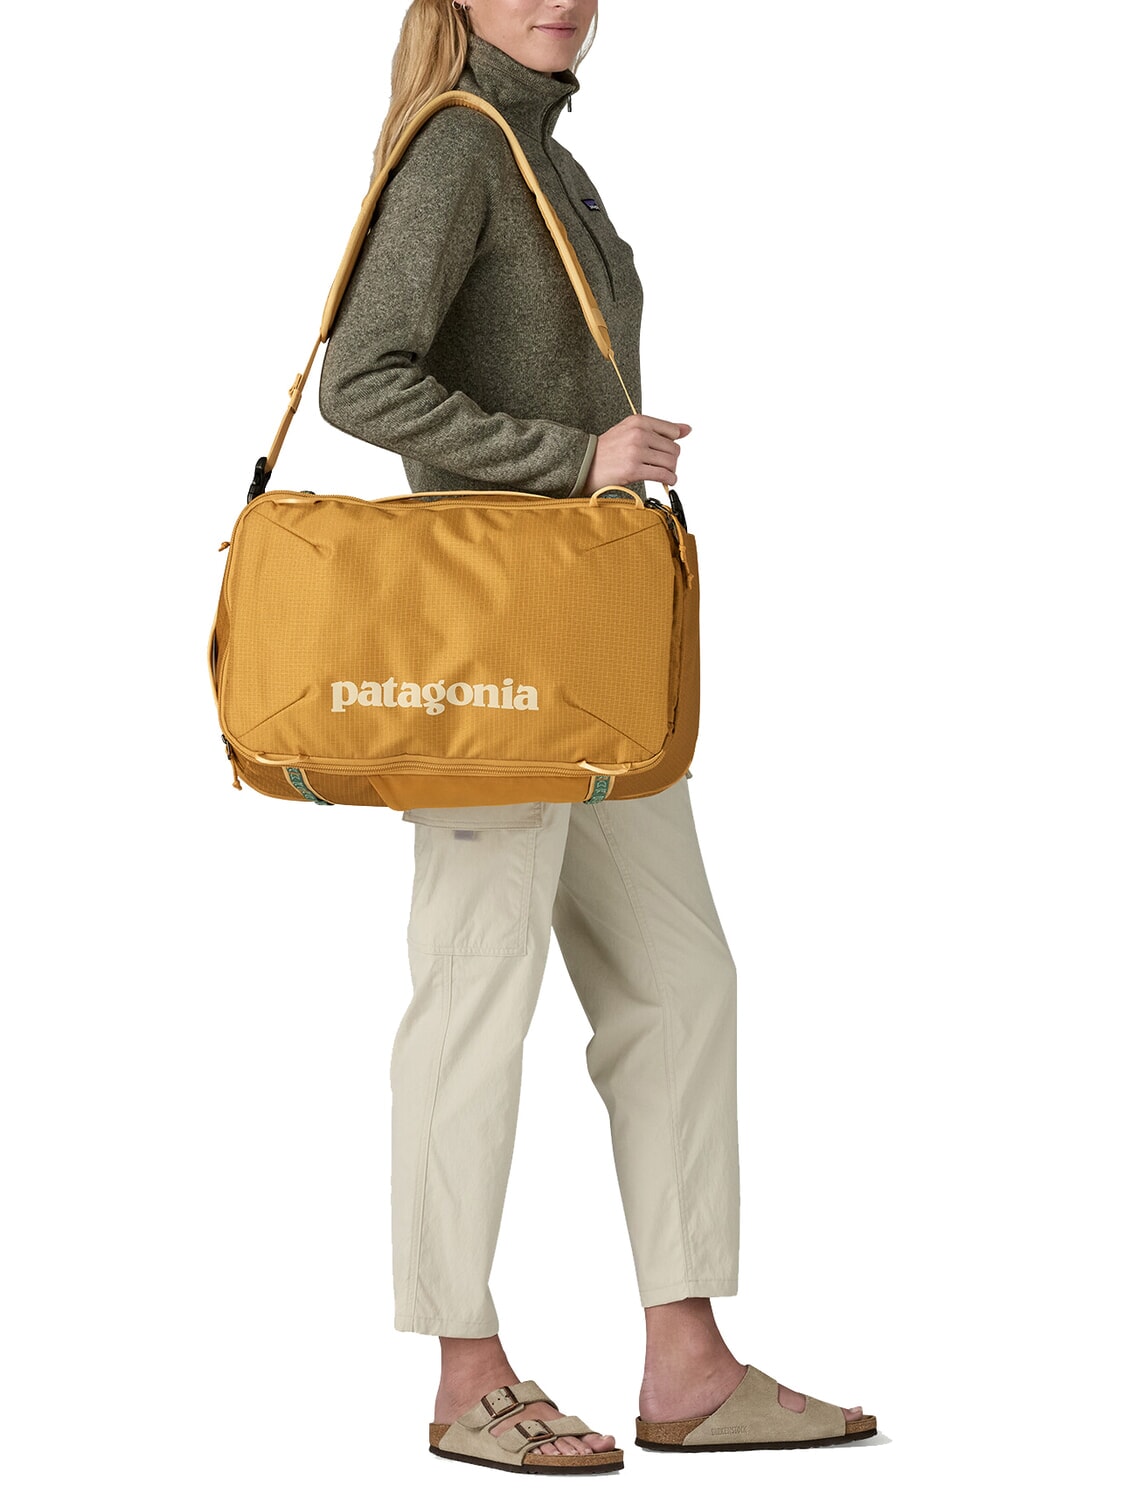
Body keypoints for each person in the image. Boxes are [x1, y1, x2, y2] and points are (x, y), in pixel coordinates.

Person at [319, 0, 875, 1475]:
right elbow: (360, 378)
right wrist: (574, 457)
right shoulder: (459, 145)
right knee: (474, 989)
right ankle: (464, 1377)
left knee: (679, 978)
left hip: (591, 647)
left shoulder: (546, 153)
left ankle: (688, 1367)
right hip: (493, 653)